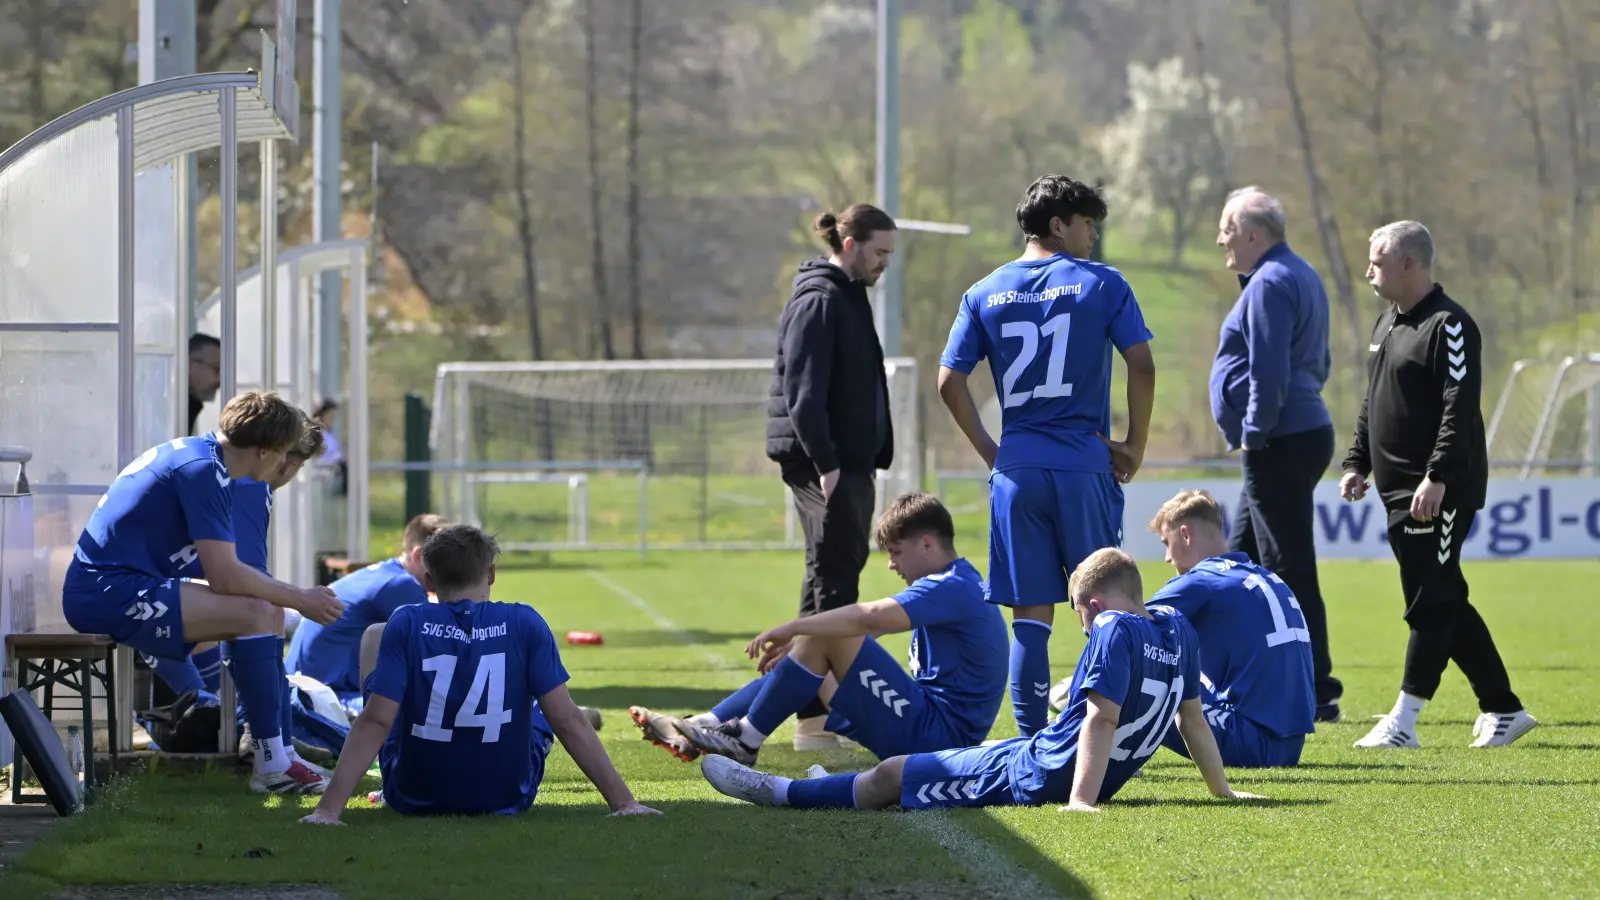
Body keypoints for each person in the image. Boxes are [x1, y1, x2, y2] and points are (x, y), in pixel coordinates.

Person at [700, 548, 1263, 813]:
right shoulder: (1177, 628)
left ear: (1093, 604)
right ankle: (818, 781)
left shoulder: (1113, 625)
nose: (1084, 628)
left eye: (1080, 616)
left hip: (1040, 773)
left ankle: (778, 792)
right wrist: (1222, 790)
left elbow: (1101, 717)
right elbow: (1192, 718)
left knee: (891, 779)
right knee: (906, 772)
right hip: (1040, 754)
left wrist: (1082, 802)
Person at [937, 174, 1155, 739]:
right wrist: (1134, 445)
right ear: (1058, 225)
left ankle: (1032, 742)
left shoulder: (983, 291)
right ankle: (1105, 734)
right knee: (1106, 613)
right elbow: (1143, 364)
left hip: (1019, 470)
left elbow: (948, 382)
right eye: (1087, 225)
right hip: (1084, 466)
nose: (1092, 237)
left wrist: (993, 451)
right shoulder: (1103, 284)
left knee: (1031, 622)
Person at [62, 392, 344, 781]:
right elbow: (228, 577)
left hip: (124, 585)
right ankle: (272, 760)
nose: (286, 465)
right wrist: (302, 598)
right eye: (284, 453)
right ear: (263, 451)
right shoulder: (209, 472)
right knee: (260, 611)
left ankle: (277, 753)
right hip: (105, 593)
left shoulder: (207, 460)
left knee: (263, 610)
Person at [300, 525, 659, 823]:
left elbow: (376, 721)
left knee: (375, 648)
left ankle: (359, 792)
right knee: (552, 710)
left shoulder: (406, 622)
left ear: (428, 579)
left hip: (412, 795)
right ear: (490, 574)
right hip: (506, 796)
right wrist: (624, 803)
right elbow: (566, 721)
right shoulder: (526, 622)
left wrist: (328, 811)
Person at [1340, 220, 1537, 750]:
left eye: (1376, 261)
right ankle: (1503, 706)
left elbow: (1459, 406)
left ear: (1409, 263)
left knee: (1431, 600)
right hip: (1398, 489)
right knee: (1443, 597)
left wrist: (1438, 476)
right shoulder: (1386, 323)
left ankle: (1404, 720)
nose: (1368, 271)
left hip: (1438, 490)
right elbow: (1372, 401)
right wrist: (1356, 461)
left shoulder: (1450, 325)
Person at [628, 493, 1007, 764]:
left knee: (828, 633)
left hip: (937, 738)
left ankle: (744, 741)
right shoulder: (955, 582)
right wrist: (800, 644)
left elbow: (870, 617)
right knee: (820, 643)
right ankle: (703, 726)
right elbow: (862, 633)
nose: (892, 565)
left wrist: (796, 626)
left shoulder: (951, 587)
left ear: (926, 543)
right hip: (926, 724)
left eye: (895, 552)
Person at [765, 202, 898, 750]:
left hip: (850, 461)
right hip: (827, 465)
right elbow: (803, 393)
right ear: (850, 244)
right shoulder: (819, 300)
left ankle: (808, 717)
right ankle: (822, 718)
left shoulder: (848, 296)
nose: (885, 264)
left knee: (829, 577)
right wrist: (828, 465)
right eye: (879, 252)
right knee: (836, 581)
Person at [1209, 187, 1342, 723]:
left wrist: (1256, 431)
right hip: (1293, 435)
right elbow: (1321, 362)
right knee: (1236, 563)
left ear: (1252, 234)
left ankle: (1316, 687)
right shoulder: (1301, 274)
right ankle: (1217, 676)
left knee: (1286, 567)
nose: (1221, 239)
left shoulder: (1268, 283)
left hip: (1277, 441)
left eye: (1226, 228)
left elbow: (1268, 371)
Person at [1144, 489, 1315, 768]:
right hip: (1290, 747)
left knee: (1137, 677)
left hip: (1248, 742)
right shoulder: (1266, 576)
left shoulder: (1202, 581)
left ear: (1185, 534)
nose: (1167, 558)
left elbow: (1123, 626)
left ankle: (1086, 744)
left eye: (1167, 542)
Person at [285, 513, 451, 714]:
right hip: (323, 698)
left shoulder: (387, 574)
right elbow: (444, 641)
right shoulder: (401, 585)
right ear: (418, 556)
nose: (452, 570)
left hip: (302, 687)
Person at [187, 333, 222, 436]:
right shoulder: (167, 409)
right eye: (216, 369)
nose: (219, 381)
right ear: (189, 364)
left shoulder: (189, 406)